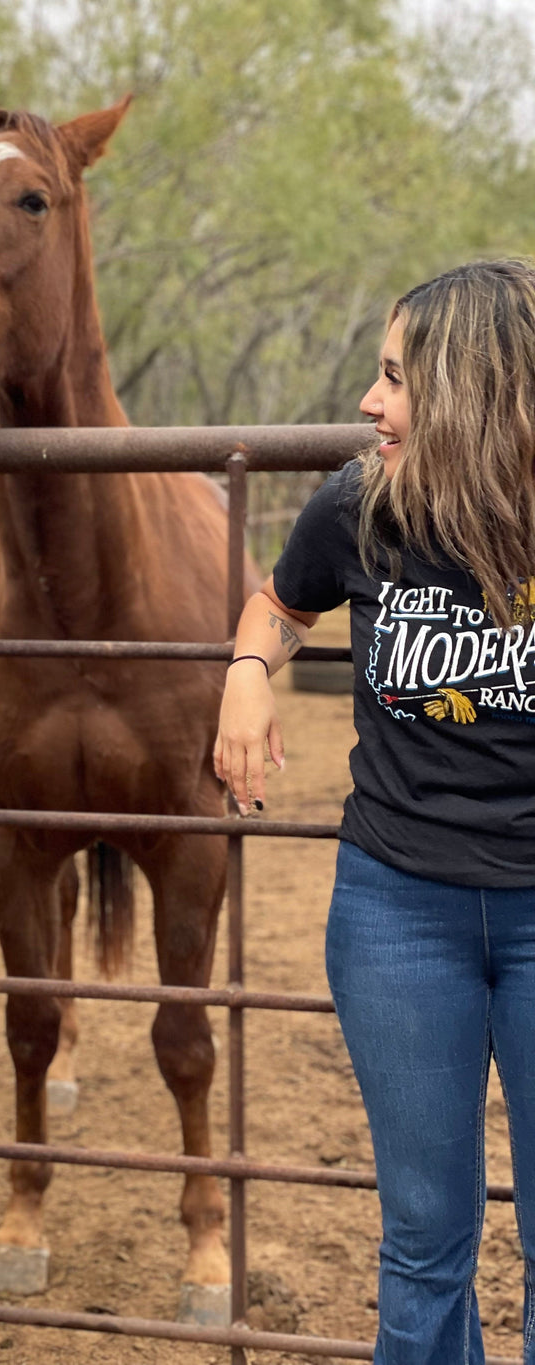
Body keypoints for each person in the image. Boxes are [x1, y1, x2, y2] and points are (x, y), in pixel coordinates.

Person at [214, 259, 535, 1363]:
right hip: (397, 915)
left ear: (474, 391)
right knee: (423, 1241)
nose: (368, 401)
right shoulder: (359, 505)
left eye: (395, 378)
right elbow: (278, 602)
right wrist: (249, 670)